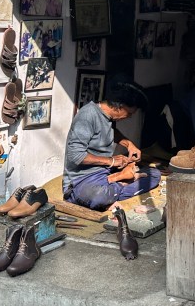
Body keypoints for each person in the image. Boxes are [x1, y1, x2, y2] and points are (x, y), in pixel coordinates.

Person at [63, 80, 161, 210]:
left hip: (104, 173)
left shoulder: (108, 117)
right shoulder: (87, 115)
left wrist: (129, 144)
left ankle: (115, 184)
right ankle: (120, 182)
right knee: (99, 196)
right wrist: (112, 161)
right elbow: (76, 156)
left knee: (154, 175)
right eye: (130, 113)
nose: (129, 117)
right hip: (81, 180)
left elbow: (110, 132)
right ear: (119, 106)